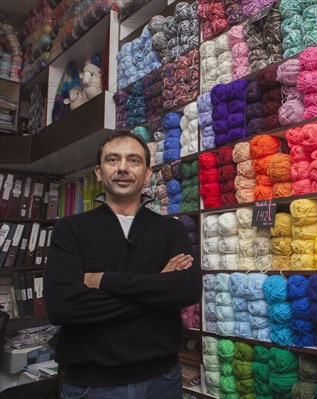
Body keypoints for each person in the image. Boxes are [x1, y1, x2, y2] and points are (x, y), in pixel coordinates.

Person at [44, 129, 202, 399]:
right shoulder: (70, 229)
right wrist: (157, 287)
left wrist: (104, 281)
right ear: (98, 171)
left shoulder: (170, 230)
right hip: (91, 386)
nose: (123, 168)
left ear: (147, 173)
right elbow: (62, 307)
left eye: (133, 161)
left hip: (162, 380)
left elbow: (186, 290)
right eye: (113, 160)